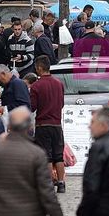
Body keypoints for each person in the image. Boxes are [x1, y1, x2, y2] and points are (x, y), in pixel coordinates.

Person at [28, 55, 67, 194]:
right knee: (58, 155)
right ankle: (61, 183)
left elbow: (32, 107)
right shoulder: (59, 84)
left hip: (42, 124)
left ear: (39, 68)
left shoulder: (36, 86)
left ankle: (50, 182)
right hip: (57, 124)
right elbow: (61, 104)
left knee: (47, 155)